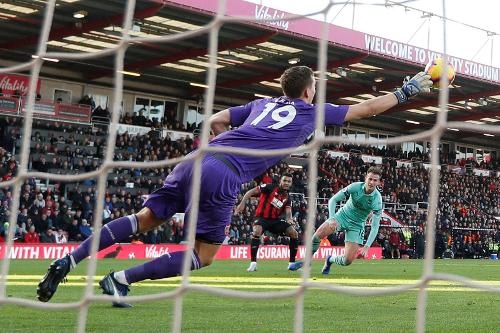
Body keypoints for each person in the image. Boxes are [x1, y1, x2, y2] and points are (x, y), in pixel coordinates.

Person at [37, 66, 432, 306]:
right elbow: (366, 109)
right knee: (205, 255)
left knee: (143, 219)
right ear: (309, 90)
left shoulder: (260, 104)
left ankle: (69, 260)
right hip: (224, 173)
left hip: (197, 159)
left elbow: (215, 121)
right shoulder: (312, 112)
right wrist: (408, 90)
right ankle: (120, 279)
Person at [289, 166, 383, 274]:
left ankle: (330, 259)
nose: (371, 182)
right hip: (341, 217)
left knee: (347, 261)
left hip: (357, 226)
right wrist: (332, 218)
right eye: (370, 179)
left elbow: (375, 226)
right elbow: (333, 200)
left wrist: (367, 246)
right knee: (317, 235)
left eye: (375, 180)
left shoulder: (377, 200)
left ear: (378, 182)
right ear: (366, 177)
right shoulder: (355, 187)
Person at [234, 173, 299, 272]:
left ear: (291, 183)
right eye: (284, 180)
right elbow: (250, 192)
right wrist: (242, 203)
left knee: (293, 233)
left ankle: (292, 264)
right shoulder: (270, 187)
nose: (286, 183)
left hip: (275, 221)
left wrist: (289, 219)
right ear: (280, 181)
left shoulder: (287, 197)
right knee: (257, 231)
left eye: (289, 181)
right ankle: (253, 263)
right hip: (261, 218)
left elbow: (288, 212)